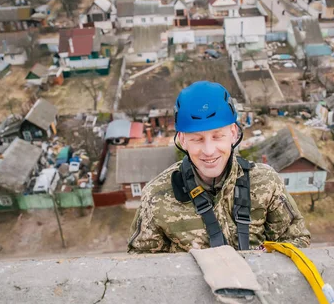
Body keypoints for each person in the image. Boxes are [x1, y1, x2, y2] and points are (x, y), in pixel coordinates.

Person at [128, 81, 311, 253]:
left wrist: (264, 259)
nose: (209, 151)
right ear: (183, 140)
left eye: (217, 136)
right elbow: (141, 262)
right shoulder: (156, 196)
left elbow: (297, 240)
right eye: (197, 139)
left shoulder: (266, 182)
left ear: (233, 133)